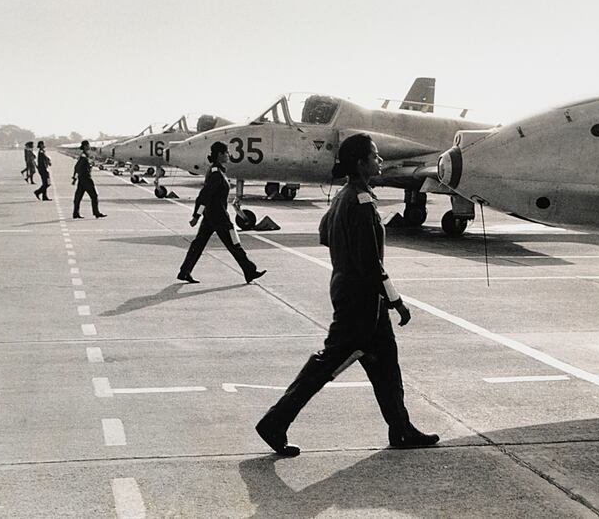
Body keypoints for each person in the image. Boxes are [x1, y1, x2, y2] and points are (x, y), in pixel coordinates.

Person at [255, 133, 438, 457]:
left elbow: (325, 234)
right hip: (361, 300)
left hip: (352, 292)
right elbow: (371, 263)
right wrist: (396, 300)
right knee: (325, 366)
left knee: (386, 366)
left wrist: (346, 252)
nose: (380, 161)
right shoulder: (362, 202)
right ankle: (274, 422)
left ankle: (401, 429)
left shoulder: (344, 196)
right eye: (375, 155)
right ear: (360, 162)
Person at [177, 141, 266, 284]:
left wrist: (200, 215)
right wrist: (196, 215)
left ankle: (184, 271)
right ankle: (249, 270)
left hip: (211, 217)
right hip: (219, 217)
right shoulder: (216, 174)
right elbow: (204, 196)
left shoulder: (217, 172)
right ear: (219, 155)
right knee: (234, 243)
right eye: (226, 153)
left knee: (199, 244)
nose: (228, 155)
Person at [72, 140, 106, 219]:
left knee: (78, 196)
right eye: (88, 145)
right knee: (94, 196)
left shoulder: (85, 155)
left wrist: (75, 178)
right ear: (85, 146)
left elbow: (82, 167)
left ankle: (75, 213)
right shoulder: (83, 156)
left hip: (82, 179)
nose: (89, 146)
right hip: (86, 179)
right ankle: (96, 213)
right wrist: (74, 178)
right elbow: (77, 167)